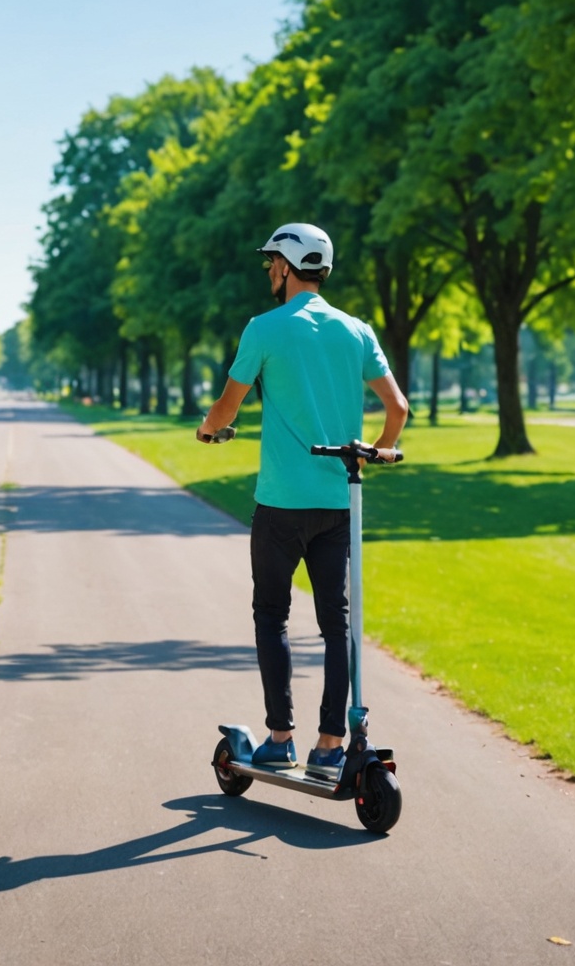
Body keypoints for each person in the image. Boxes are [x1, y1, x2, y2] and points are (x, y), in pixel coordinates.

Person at [195, 222, 409, 782]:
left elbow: (226, 409)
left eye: (272, 263)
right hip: (337, 502)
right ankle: (331, 744)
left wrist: (209, 429)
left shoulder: (263, 330)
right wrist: (371, 455)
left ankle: (280, 739)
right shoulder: (356, 331)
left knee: (272, 614)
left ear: (288, 267)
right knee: (336, 622)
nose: (269, 271)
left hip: (280, 505)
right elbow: (399, 409)